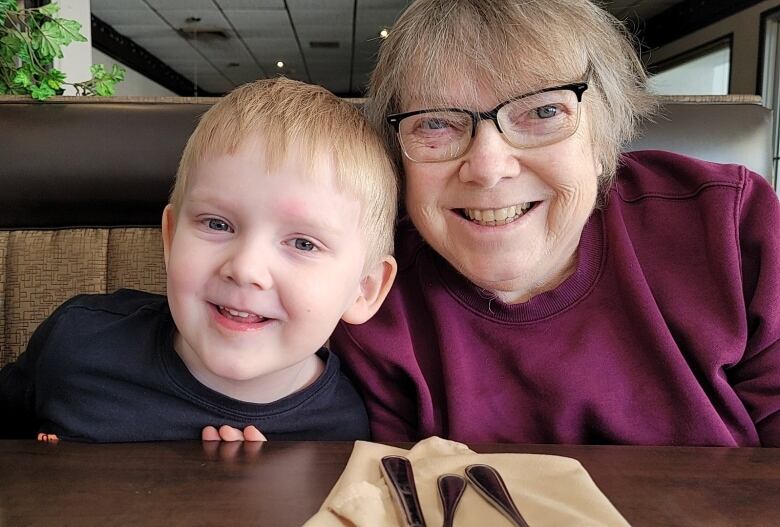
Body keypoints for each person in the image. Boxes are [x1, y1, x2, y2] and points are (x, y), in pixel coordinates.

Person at [326, 0, 780, 446]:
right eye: (436, 124)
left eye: (542, 111)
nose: (487, 167)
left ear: (603, 139)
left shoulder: (732, 226)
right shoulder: (367, 291)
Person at [0, 77, 398, 442]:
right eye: (217, 223)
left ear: (364, 289)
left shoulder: (344, 430)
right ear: (171, 237)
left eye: (304, 244)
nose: (245, 268)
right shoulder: (78, 343)